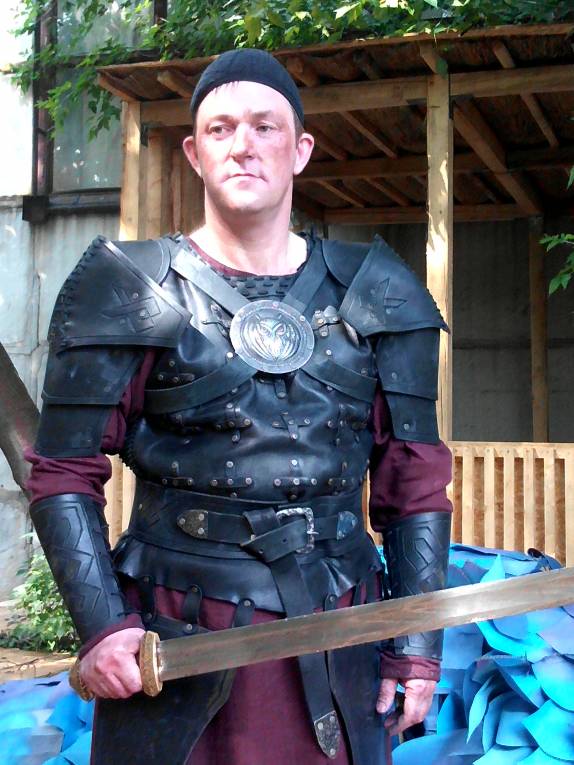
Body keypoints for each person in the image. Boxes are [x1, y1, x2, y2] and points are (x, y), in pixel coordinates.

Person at [27, 48, 452, 765]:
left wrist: (415, 644)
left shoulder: (378, 291)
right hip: (178, 630)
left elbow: (414, 481)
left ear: (301, 150)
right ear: (194, 154)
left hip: (339, 625)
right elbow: (63, 470)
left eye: (264, 126)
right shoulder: (129, 288)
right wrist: (103, 624)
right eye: (220, 129)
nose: (243, 145)